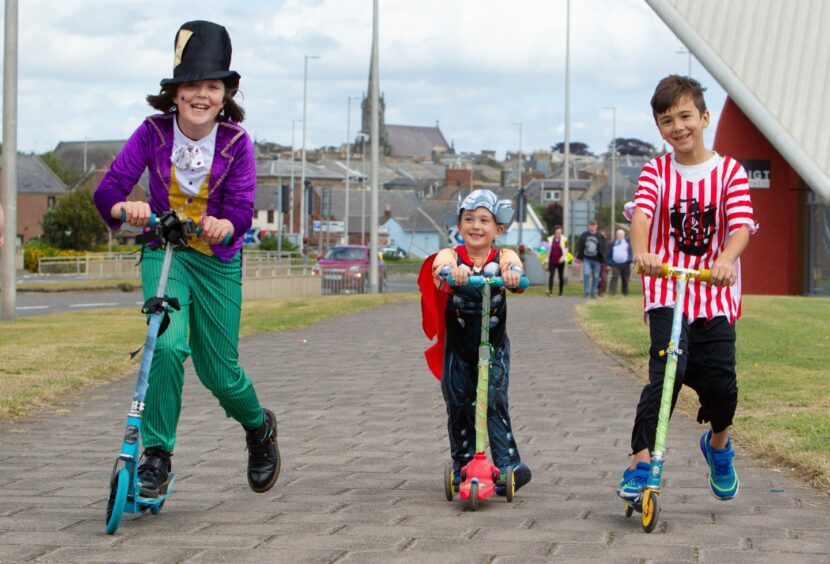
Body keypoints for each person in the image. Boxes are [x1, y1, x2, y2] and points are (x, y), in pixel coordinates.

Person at [93, 20, 279, 498]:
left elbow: (240, 209)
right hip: (166, 252)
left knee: (221, 373)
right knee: (166, 344)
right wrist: (125, 208)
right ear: (174, 94)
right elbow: (109, 190)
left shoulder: (237, 144)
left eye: (212, 86)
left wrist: (228, 225)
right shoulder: (152, 133)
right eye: (192, 85)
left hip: (217, 263)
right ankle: (156, 455)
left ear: (225, 95)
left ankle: (259, 428)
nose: (202, 95)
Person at [616, 75, 756, 505]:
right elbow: (641, 216)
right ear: (658, 128)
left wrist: (725, 260)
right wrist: (643, 254)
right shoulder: (656, 171)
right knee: (663, 381)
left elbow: (741, 227)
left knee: (721, 387)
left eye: (685, 116)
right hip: (668, 294)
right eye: (666, 120)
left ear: (704, 117)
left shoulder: (729, 171)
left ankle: (718, 446)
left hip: (714, 295)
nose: (677, 127)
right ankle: (642, 464)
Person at [418, 189, 532, 495]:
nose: (476, 226)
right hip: (459, 347)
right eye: (469, 219)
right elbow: (438, 267)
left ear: (498, 229)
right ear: (459, 225)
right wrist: (451, 272)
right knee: (459, 401)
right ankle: (464, 465)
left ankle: (509, 465)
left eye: (484, 220)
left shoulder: (503, 256)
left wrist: (513, 275)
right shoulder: (452, 256)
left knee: (493, 399)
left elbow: (515, 268)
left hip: (493, 346)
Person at [575, 220, 606, 298]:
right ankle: (586, 292)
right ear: (589, 226)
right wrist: (579, 258)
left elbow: (604, 248)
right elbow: (580, 246)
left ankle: (593, 292)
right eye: (591, 225)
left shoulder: (600, 236)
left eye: (594, 225)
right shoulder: (584, 235)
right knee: (586, 274)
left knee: (596, 276)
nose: (592, 227)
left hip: (597, 259)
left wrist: (603, 259)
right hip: (587, 259)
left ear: (596, 226)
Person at [607, 228, 633, 296]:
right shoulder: (613, 243)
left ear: (624, 235)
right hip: (615, 264)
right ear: (616, 235)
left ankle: (625, 292)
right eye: (618, 234)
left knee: (625, 279)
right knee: (614, 277)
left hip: (625, 263)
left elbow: (631, 253)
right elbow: (609, 254)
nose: (619, 236)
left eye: (621, 234)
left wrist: (631, 262)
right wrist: (609, 264)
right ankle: (612, 292)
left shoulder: (627, 243)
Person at [546, 226, 567, 296]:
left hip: (560, 261)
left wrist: (562, 257)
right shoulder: (550, 239)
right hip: (552, 260)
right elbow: (547, 251)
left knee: (561, 276)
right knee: (551, 275)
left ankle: (560, 292)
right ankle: (550, 291)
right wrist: (546, 262)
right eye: (557, 232)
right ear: (554, 233)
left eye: (560, 232)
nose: (559, 234)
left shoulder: (565, 240)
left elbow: (566, 250)